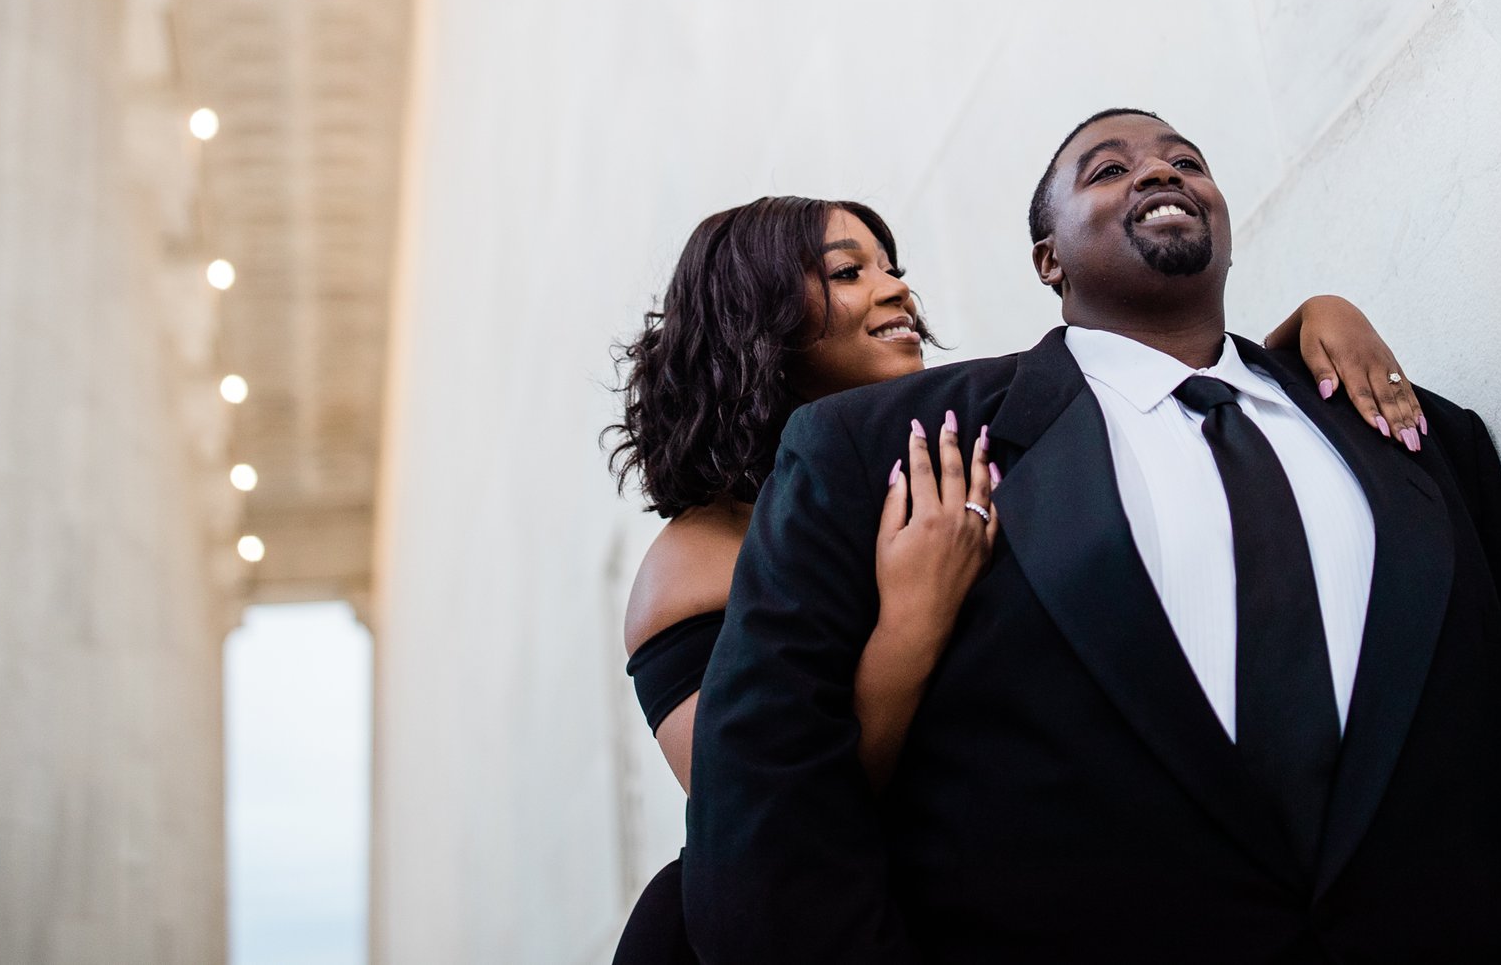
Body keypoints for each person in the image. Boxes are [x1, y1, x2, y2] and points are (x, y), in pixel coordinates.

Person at [685, 112, 1501, 963]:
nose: (1157, 172)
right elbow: (765, 812)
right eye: (1107, 168)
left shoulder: (1428, 439)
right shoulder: (884, 450)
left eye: (1185, 161)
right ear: (1048, 259)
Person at [607, 194, 1432, 965]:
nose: (896, 290)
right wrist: (912, 617)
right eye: (849, 272)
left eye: (892, 267)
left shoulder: (950, 453)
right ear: (756, 320)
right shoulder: (695, 557)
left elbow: (1140, 403)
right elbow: (764, 819)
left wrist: (1308, 330)